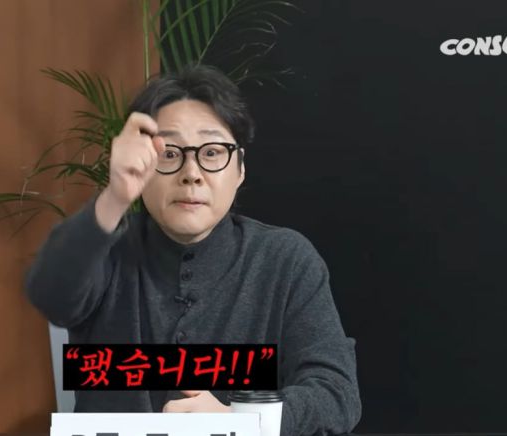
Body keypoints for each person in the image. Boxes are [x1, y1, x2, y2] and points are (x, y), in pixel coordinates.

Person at [25, 64, 361, 436]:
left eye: (212, 152)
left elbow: (337, 394)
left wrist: (242, 420)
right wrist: (115, 196)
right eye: (169, 153)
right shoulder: (106, 249)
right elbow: (49, 295)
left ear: (240, 169)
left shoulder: (285, 260)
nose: (191, 173)